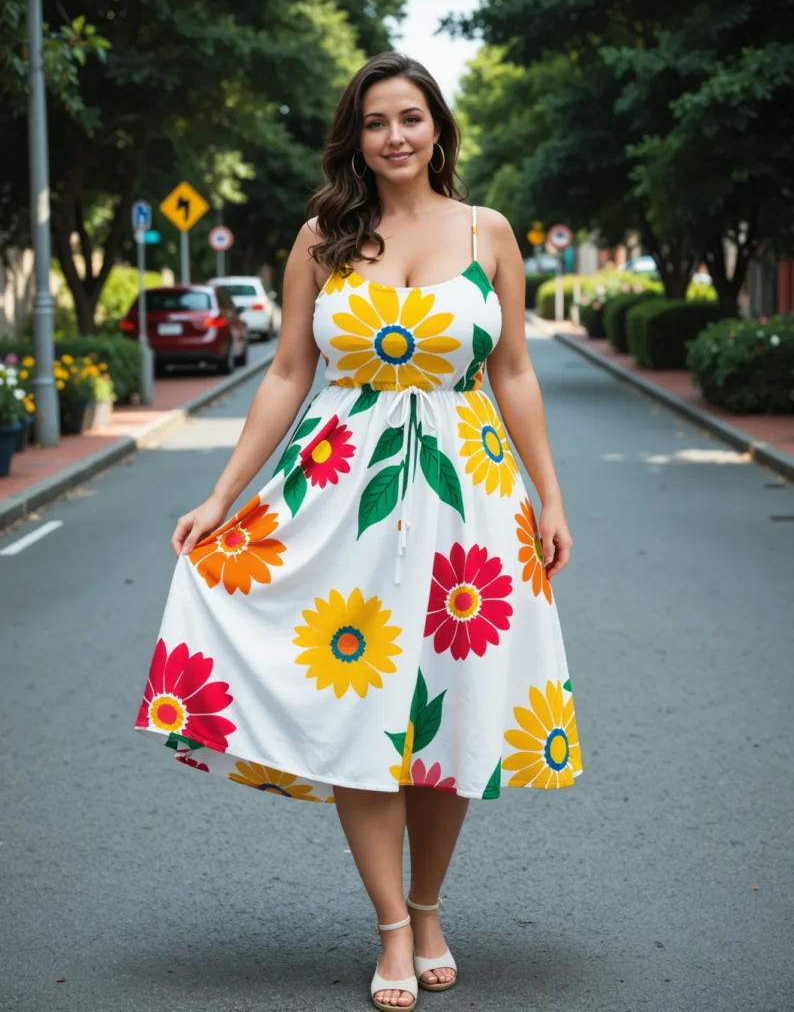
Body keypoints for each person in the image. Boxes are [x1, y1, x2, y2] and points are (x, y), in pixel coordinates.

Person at [134, 52, 583, 1011]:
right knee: (363, 705)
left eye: (411, 118)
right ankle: (390, 926)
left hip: (471, 502)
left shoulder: (486, 231)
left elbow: (513, 373)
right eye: (377, 121)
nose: (395, 137)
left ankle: (429, 907)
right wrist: (221, 497)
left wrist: (549, 496)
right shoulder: (323, 237)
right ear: (357, 136)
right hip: (341, 492)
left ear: (437, 127)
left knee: (451, 708)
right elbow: (289, 373)